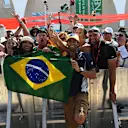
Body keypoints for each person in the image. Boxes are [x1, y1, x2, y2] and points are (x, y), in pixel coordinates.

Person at [64, 33, 96, 128]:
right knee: (71, 124)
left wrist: (79, 70)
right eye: (70, 41)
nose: (72, 43)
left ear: (78, 44)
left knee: (80, 117)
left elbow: (93, 74)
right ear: (67, 43)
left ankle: (82, 125)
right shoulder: (62, 57)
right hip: (67, 94)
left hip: (81, 92)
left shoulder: (85, 56)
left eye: (75, 41)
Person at [88, 27, 117, 103]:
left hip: (104, 81)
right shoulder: (87, 47)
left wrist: (112, 91)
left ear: (100, 35)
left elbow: (112, 71)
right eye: (90, 35)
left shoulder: (109, 47)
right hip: (90, 84)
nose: (92, 37)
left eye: (95, 35)